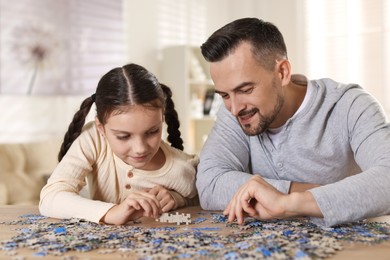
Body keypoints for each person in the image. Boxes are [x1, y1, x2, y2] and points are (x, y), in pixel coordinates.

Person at [196, 17, 390, 227]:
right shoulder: (236, 112)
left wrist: (289, 203)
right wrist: (298, 191)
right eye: (224, 95)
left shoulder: (351, 105)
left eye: (245, 90)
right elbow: (210, 184)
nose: (233, 108)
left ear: (282, 72)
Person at [40, 63, 199, 225]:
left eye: (152, 132)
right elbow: (50, 197)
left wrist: (177, 199)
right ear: (101, 128)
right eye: (123, 136)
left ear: (162, 120)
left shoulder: (183, 168)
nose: (140, 149)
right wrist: (111, 212)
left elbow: (205, 203)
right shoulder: (94, 138)